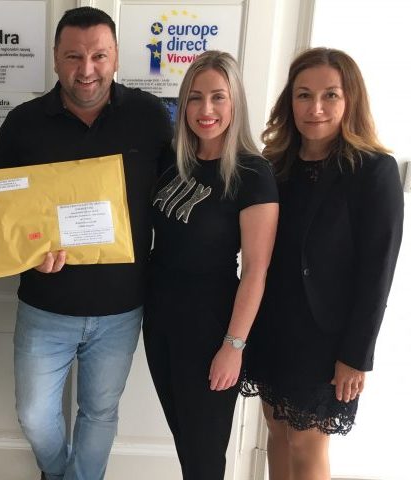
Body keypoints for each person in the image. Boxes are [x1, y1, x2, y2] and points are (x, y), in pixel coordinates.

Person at [0, 6, 172, 480]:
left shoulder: (150, 117)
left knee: (100, 413)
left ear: (116, 57)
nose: (86, 69)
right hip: (45, 306)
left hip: (121, 309)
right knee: (33, 414)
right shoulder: (23, 123)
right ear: (55, 57)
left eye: (98, 56)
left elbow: (176, 198)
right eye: (73, 56)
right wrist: (26, 252)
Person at [242, 47, 404, 479]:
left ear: (350, 100)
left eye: (330, 95)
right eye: (304, 95)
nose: (315, 108)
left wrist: (356, 356)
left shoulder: (373, 171)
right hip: (273, 325)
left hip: (326, 338)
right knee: (277, 432)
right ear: (289, 101)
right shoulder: (276, 165)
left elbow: (378, 274)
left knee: (306, 443)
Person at [144, 51, 279, 479]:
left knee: (204, 457)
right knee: (188, 446)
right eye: (195, 97)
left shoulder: (253, 173)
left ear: (235, 102)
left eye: (218, 97)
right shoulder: (171, 160)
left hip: (211, 329)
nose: (206, 109)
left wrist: (233, 346)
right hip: (160, 322)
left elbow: (256, 270)